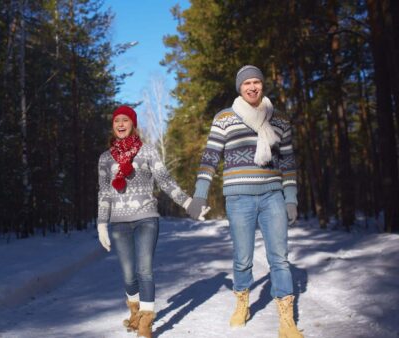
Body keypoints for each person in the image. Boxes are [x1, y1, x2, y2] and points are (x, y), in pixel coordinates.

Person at [185, 65, 303, 337]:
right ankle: (242, 303)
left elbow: (287, 161)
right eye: (247, 83)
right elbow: (211, 156)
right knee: (242, 258)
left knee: (280, 259)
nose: (252, 87)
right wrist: (200, 194)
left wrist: (291, 198)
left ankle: (286, 319)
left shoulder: (280, 120)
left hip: (273, 195)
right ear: (240, 87)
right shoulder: (224, 118)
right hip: (239, 198)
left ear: (263, 85)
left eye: (256, 82)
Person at [96, 105, 202, 338]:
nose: (121, 124)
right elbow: (104, 193)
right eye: (117, 121)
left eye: (126, 120)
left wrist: (187, 203)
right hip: (119, 223)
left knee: (145, 270)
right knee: (128, 274)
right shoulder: (105, 159)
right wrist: (101, 223)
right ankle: (134, 312)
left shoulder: (147, 151)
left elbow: (165, 181)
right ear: (113, 126)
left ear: (133, 124)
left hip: (146, 218)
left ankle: (146, 322)